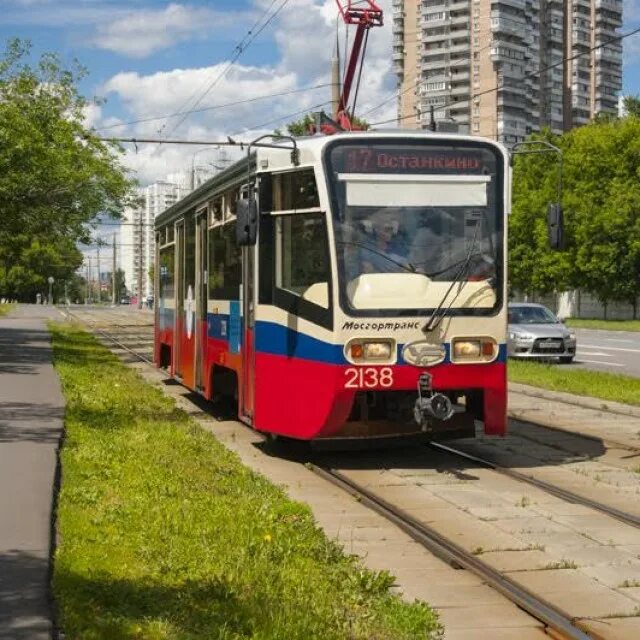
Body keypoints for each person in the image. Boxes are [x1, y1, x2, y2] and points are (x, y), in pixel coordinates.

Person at [360, 208, 409, 274]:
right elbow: (369, 272)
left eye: (391, 229)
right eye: (386, 230)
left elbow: (407, 269)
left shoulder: (399, 247)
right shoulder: (367, 249)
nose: (389, 233)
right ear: (377, 230)